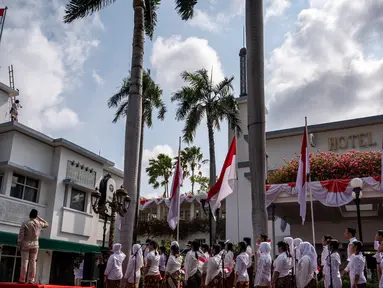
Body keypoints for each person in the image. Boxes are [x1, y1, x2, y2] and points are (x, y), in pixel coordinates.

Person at [18, 209, 49, 284]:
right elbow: (47, 224)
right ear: (36, 216)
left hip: (26, 244)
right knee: (33, 262)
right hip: (35, 244)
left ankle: (22, 279)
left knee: (25, 262)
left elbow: (21, 236)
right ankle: (31, 280)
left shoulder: (25, 223)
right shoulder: (39, 223)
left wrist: (19, 245)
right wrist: (39, 218)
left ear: (29, 214)